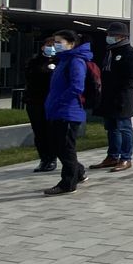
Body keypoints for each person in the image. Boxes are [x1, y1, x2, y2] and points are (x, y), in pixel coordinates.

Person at [42, 30, 92, 196]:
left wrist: (59, 102)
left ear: (71, 43)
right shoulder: (64, 60)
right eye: (55, 42)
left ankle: (68, 183)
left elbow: (77, 87)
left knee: (65, 148)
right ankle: (78, 172)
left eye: (59, 42)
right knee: (60, 146)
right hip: (58, 111)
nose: (56, 45)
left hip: (68, 112)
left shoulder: (76, 61)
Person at [91, 22, 133, 172]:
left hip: (122, 97)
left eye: (112, 35)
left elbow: (132, 78)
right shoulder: (109, 52)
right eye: (108, 34)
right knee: (111, 128)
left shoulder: (130, 53)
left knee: (124, 127)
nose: (109, 37)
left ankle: (126, 158)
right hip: (108, 96)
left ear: (121, 36)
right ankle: (112, 156)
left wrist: (122, 93)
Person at [25, 36, 58, 173]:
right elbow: (30, 77)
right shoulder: (34, 62)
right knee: (39, 132)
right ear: (43, 47)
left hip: (52, 101)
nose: (51, 48)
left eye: (54, 46)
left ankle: (52, 158)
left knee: (52, 131)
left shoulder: (60, 61)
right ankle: (44, 158)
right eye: (49, 45)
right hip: (35, 101)